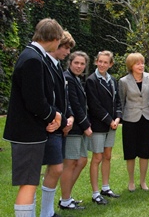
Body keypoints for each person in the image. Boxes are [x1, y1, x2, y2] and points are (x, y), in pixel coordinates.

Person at [3, 18, 63, 217]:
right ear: (54, 38)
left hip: (31, 131)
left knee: (31, 182)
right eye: (59, 41)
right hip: (26, 132)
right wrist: (53, 116)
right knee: (28, 184)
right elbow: (35, 101)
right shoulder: (32, 59)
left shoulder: (35, 56)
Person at [40, 30, 76, 217]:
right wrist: (58, 119)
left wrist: (69, 117)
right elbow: (46, 99)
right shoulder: (46, 66)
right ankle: (46, 212)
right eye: (66, 48)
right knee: (56, 168)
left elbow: (64, 100)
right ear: (57, 45)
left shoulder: (57, 68)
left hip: (61, 124)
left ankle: (48, 211)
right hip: (51, 126)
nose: (68, 52)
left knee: (55, 168)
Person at [85, 50, 122, 205]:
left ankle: (105, 187)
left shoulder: (113, 80)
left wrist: (118, 118)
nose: (102, 64)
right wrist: (109, 120)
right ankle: (95, 193)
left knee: (107, 156)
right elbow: (94, 106)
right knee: (97, 157)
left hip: (112, 125)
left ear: (110, 64)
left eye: (105, 62)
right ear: (96, 62)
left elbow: (118, 102)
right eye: (100, 61)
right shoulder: (91, 80)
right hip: (99, 125)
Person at [59, 51, 92, 210]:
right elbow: (74, 105)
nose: (79, 66)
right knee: (70, 163)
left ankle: (66, 196)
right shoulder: (67, 78)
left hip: (80, 128)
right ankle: (65, 200)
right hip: (73, 128)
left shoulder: (77, 79)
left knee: (82, 160)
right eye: (76, 63)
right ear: (70, 63)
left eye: (82, 64)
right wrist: (86, 125)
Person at [118, 52, 149, 192]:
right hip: (130, 119)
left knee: (145, 151)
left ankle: (143, 181)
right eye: (137, 63)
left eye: (142, 62)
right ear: (131, 66)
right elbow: (122, 100)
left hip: (147, 117)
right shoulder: (123, 81)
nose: (141, 65)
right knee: (130, 151)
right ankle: (131, 181)